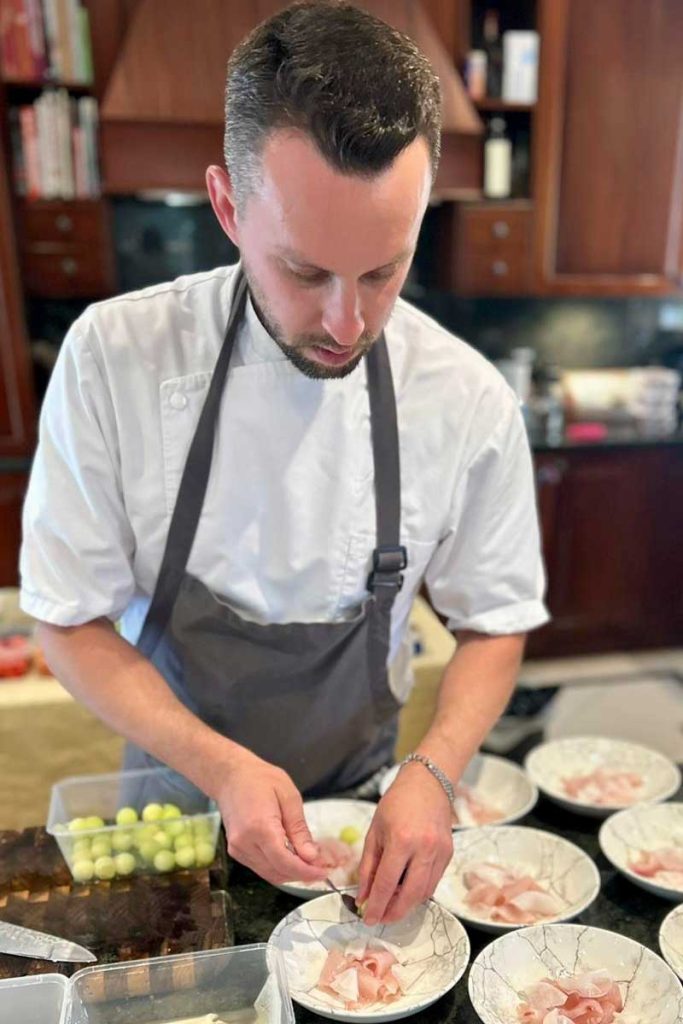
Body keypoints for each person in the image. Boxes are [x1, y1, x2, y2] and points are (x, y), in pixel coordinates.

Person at [20, 0, 548, 927]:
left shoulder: (464, 398)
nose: (347, 324)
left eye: (384, 271)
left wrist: (433, 770)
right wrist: (221, 766)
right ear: (226, 205)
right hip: (174, 804)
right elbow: (67, 620)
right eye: (305, 273)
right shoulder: (116, 359)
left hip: (366, 807)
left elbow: (495, 620)